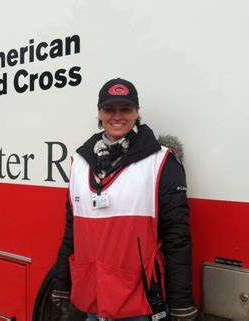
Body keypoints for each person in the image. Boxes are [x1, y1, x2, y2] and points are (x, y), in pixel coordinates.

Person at [51, 78, 200, 321]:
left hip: (138, 302)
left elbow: (177, 238)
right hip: (94, 299)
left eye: (126, 109)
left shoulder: (161, 162)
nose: (117, 116)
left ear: (137, 113)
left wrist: (182, 302)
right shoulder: (80, 162)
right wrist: (62, 282)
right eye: (109, 109)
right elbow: (72, 230)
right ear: (99, 113)